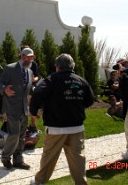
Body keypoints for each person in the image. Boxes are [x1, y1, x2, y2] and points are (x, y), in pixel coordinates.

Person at [29, 53, 95, 185]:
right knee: (78, 159)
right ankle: (81, 183)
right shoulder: (81, 80)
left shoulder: (51, 79)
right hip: (76, 127)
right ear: (72, 66)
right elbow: (90, 100)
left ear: (57, 66)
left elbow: (37, 94)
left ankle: (39, 181)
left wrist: (34, 112)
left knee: (49, 158)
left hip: (56, 129)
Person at [0, 47, 35, 170]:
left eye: (32, 57)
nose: (30, 60)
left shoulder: (30, 72)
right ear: (22, 56)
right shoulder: (10, 68)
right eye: (28, 57)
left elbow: (27, 88)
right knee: (15, 133)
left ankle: (18, 160)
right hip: (12, 107)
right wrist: (4, 89)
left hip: (24, 108)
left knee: (22, 135)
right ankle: (6, 157)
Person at [20, 45, 40, 133]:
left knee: (32, 106)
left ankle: (32, 125)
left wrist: (33, 79)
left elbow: (37, 77)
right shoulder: (18, 64)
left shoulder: (34, 64)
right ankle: (22, 126)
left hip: (31, 87)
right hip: (21, 88)